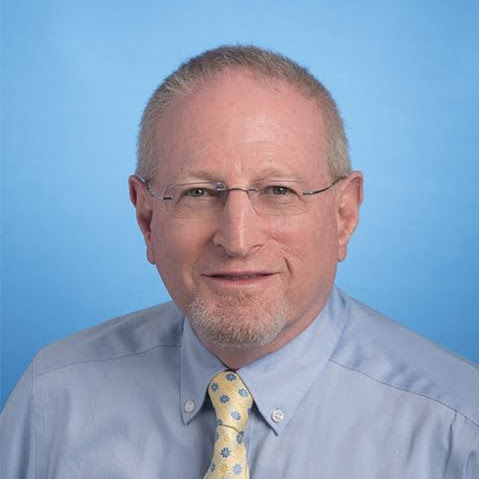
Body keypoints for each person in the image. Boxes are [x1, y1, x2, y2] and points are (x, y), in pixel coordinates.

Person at [1, 45, 478, 479]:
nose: (237, 240)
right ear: (147, 218)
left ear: (343, 215)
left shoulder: (457, 429)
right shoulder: (54, 400)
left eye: (278, 191)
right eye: (197, 193)